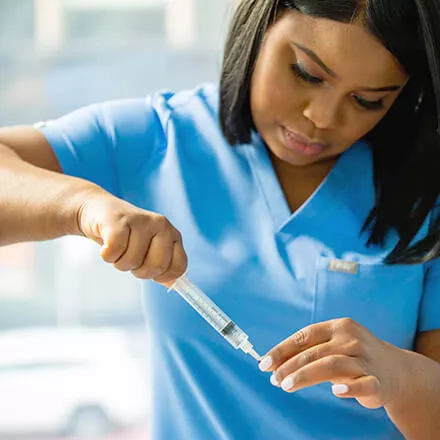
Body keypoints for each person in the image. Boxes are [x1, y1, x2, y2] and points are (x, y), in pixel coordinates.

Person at [1, 0, 440, 438]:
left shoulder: (427, 193)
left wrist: (400, 376)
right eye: (306, 73)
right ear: (260, 23)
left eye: (367, 101)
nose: (321, 118)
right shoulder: (162, 137)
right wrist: (84, 207)